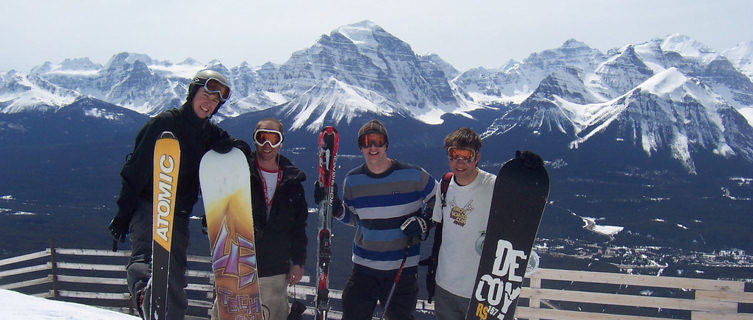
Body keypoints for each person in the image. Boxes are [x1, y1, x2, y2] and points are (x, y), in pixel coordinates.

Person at [107, 69, 236, 319]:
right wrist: (123, 216)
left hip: (178, 214)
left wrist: (230, 147)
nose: (208, 104)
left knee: (174, 274)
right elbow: (134, 172)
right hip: (148, 205)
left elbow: (236, 146)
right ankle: (146, 294)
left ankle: (171, 314)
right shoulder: (165, 123)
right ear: (192, 93)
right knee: (146, 257)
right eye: (205, 96)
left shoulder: (209, 132)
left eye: (214, 102)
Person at [315, 119, 437, 319]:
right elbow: (355, 219)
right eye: (366, 141)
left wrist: (425, 221)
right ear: (361, 147)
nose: (372, 147)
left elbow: (440, 198)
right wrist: (335, 207)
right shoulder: (353, 180)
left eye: (378, 141)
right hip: (364, 270)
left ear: (386, 144)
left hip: (402, 270)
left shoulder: (413, 175)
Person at [211, 118, 308, 320]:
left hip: (274, 270)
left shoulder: (292, 182)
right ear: (254, 140)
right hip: (236, 268)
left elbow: (299, 227)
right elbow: (220, 206)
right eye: (262, 138)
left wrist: (298, 262)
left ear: (281, 143)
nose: (267, 145)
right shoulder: (239, 172)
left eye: (273, 139)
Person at [428, 127, 496, 320]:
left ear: (477, 158)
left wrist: (523, 175)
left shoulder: (492, 186)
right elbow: (439, 224)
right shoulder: (446, 184)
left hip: (480, 288)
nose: (459, 162)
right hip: (446, 284)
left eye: (466, 156)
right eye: (453, 154)